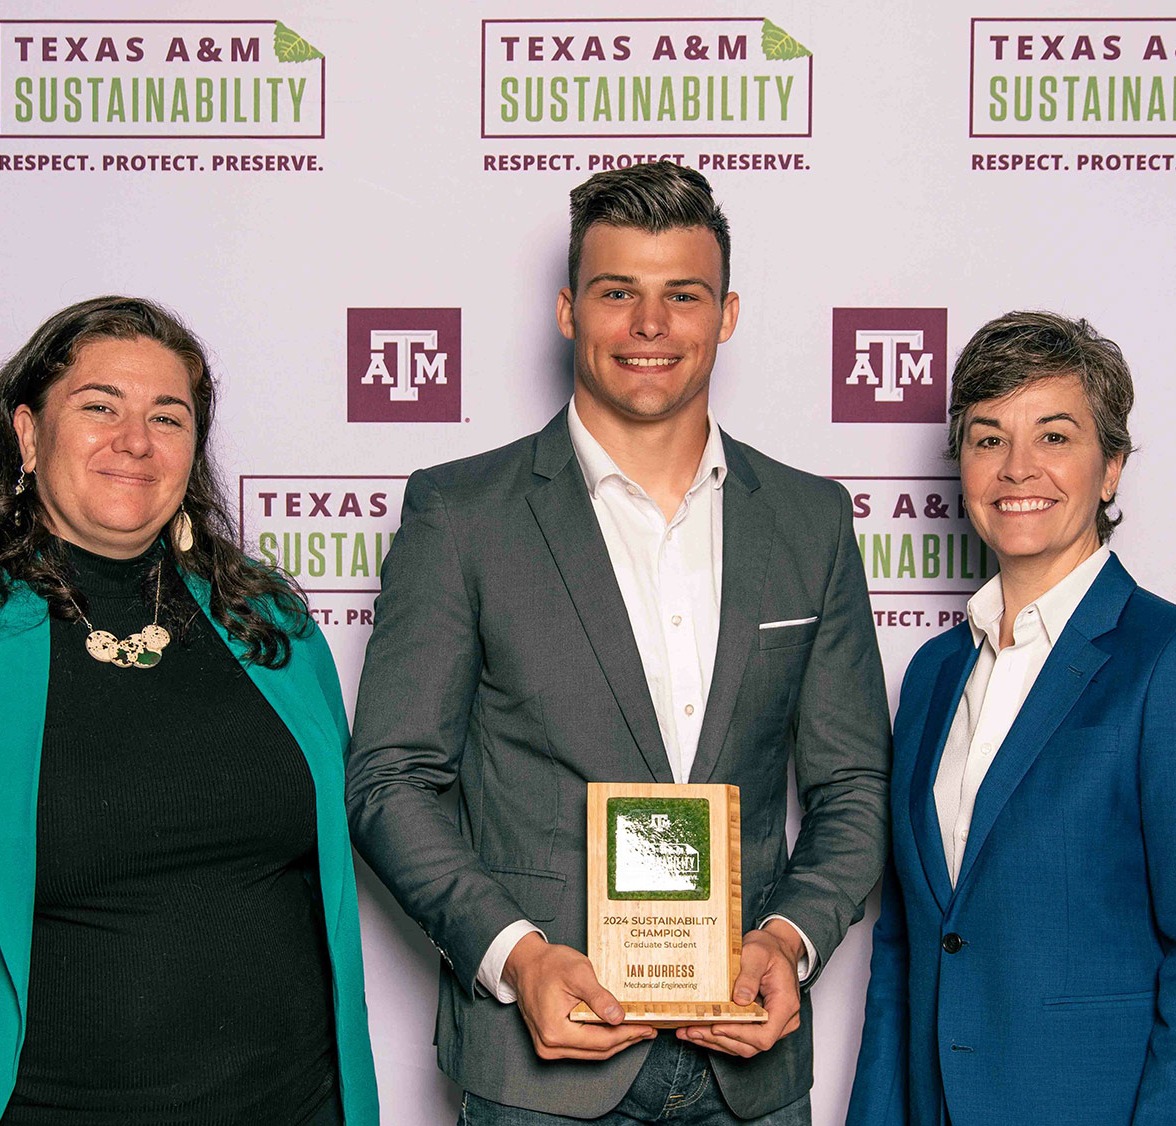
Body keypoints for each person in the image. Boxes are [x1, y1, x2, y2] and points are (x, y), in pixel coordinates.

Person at [346, 162, 891, 1126]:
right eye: (617, 293)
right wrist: (517, 956)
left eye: (682, 295)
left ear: (726, 316)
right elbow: (391, 779)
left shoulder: (811, 522)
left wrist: (790, 941)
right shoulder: (461, 515)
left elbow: (854, 787)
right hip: (539, 1072)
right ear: (567, 310)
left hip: (746, 1073)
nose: (651, 326)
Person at [0, 296, 379, 1126]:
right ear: (26, 434)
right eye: (99, 408)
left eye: (169, 416)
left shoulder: (269, 624)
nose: (136, 440)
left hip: (293, 1105)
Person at [846, 311, 1176, 1126]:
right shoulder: (934, 674)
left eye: (1053, 437)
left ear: (1110, 467)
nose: (1017, 468)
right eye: (986, 439)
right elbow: (903, 950)